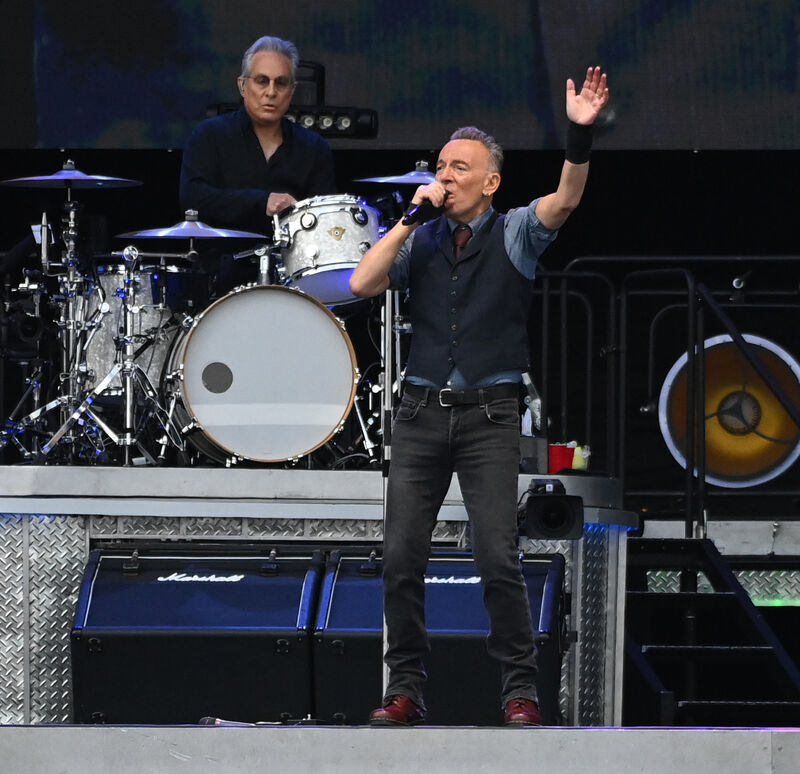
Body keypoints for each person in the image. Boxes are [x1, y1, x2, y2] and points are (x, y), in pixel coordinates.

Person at [349, 66, 609, 727]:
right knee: (402, 558)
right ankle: (405, 690)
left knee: (497, 556)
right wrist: (409, 217)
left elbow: (568, 198)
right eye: (442, 165)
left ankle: (519, 691)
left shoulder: (515, 230)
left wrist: (578, 134)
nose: (447, 175)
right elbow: (360, 282)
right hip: (419, 415)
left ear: (490, 181)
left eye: (460, 167)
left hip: (490, 417)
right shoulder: (422, 237)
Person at [179, 35, 337, 293]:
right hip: (219, 281)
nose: (271, 92)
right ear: (242, 86)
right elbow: (193, 198)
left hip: (292, 283)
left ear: (292, 90)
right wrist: (261, 201)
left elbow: (325, 221)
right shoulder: (210, 136)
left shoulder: (313, 147)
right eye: (262, 81)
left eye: (281, 83)